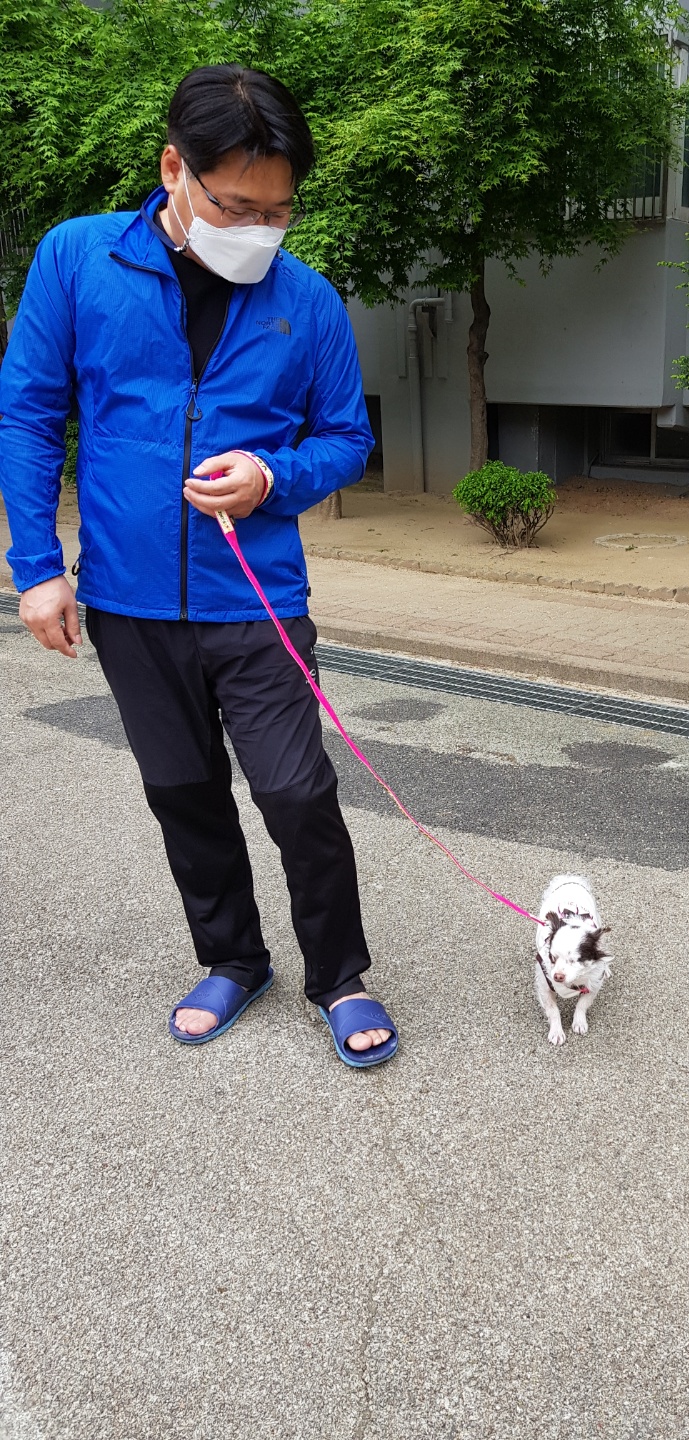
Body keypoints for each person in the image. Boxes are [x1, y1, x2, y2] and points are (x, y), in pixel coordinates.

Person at [0, 64, 397, 1068]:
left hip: (255, 600)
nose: (262, 228)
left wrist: (273, 474)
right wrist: (36, 566)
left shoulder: (305, 300)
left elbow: (348, 437)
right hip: (128, 601)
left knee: (297, 794)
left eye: (281, 209)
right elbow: (31, 411)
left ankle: (339, 975)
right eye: (237, 204)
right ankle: (232, 959)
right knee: (182, 791)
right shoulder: (78, 259)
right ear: (176, 169)